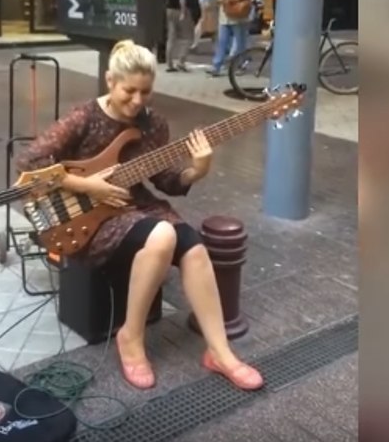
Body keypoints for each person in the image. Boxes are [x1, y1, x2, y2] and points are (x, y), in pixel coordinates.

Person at [14, 41, 264, 391]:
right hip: (90, 216)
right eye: (128, 91)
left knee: (194, 248)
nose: (137, 101)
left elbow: (167, 181)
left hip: (135, 204)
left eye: (145, 92)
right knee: (163, 234)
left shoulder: (153, 124)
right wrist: (87, 187)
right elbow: (30, 162)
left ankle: (220, 352)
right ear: (109, 81)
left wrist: (199, 168)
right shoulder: (84, 117)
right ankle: (131, 335)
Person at [208, 0, 254, 77]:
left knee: (240, 42)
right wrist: (220, 0)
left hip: (238, 16)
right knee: (222, 41)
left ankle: (241, 65)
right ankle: (217, 66)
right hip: (224, 16)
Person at [164, 0, 199, 72]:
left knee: (171, 38)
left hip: (169, 9)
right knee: (189, 37)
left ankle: (169, 64)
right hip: (180, 9)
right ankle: (181, 61)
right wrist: (183, 11)